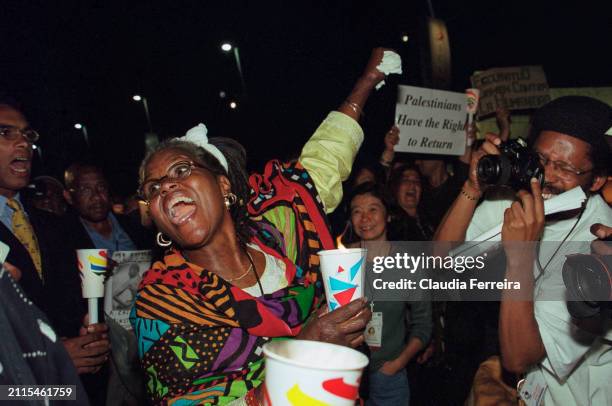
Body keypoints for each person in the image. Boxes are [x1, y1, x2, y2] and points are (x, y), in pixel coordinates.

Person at [132, 48, 394, 404]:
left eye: (181, 170)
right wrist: (305, 351)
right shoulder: (162, 301)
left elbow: (321, 164)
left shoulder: (278, 236)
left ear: (223, 185)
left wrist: (366, 83)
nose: (165, 187)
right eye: (153, 188)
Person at [435, 96, 612, 405]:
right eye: (540, 160)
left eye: (565, 167)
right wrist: (473, 188)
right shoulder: (522, 196)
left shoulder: (597, 243)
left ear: (596, 180)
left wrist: (519, 256)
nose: (546, 175)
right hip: (528, 391)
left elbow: (518, 356)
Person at [0, 101, 109, 405]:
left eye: (27, 134)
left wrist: (91, 327)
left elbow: (75, 296)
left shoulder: (57, 226)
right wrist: (51, 358)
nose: (23, 143)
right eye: (5, 133)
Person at [348, 182, 432, 405]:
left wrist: (397, 364)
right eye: (357, 211)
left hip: (389, 376)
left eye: (373, 209)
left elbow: (423, 324)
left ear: (388, 215)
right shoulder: (342, 261)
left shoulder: (409, 264)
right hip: (347, 372)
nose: (364, 218)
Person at [63, 163, 153, 254]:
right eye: (85, 190)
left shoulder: (133, 225)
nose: (97, 196)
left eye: (101, 187)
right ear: (69, 197)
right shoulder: (63, 239)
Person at [386, 163, 434, 241]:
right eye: (405, 180)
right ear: (396, 187)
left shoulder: (430, 219)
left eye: (416, 181)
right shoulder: (391, 225)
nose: (412, 184)